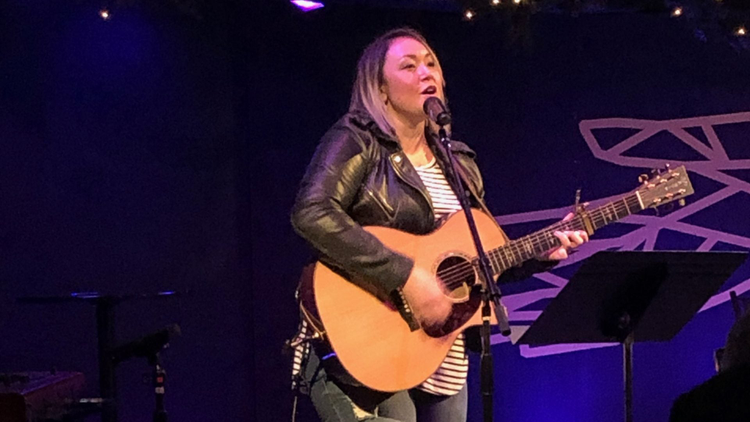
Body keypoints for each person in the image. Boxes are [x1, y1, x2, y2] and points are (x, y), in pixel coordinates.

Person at [290, 27, 588, 422]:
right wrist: (404, 274)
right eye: (409, 66)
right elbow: (311, 212)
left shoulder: (459, 162)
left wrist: (541, 255)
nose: (426, 73)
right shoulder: (357, 139)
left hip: (443, 354)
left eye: (431, 63)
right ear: (380, 89)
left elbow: (476, 261)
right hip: (378, 343)